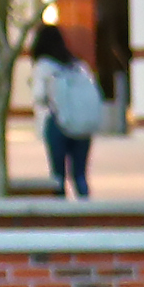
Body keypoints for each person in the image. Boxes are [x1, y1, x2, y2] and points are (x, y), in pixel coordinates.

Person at [31, 25, 108, 197]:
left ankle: (61, 214)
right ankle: (86, 210)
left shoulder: (43, 66)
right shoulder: (78, 65)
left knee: (58, 176)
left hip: (57, 122)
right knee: (80, 174)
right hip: (82, 123)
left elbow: (39, 96)